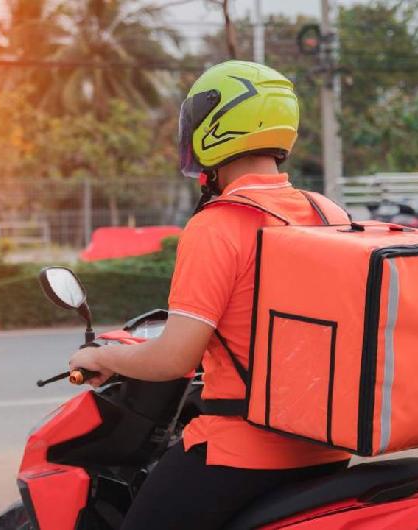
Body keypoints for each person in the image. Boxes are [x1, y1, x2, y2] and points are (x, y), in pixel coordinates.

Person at [69, 60, 351, 530]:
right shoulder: (327, 213)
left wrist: (107, 358)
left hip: (243, 449)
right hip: (327, 446)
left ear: (217, 126)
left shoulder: (218, 225)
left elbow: (173, 360)